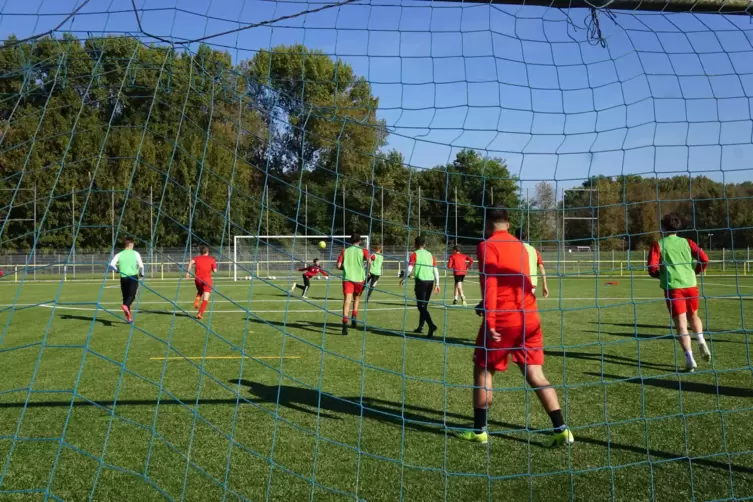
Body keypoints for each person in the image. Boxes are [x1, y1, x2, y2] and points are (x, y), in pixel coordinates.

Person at [457, 209, 573, 447]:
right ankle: (561, 429)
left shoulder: (487, 245)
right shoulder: (522, 246)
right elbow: (522, 281)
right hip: (529, 317)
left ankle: (479, 430)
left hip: (503, 319)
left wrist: (489, 320)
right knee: (535, 373)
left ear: (488, 224)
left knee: (483, 370)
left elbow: (490, 283)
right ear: (508, 224)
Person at [647, 213, 710, 371]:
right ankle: (701, 339)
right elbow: (705, 259)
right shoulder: (688, 242)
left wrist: (660, 275)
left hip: (673, 287)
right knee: (693, 315)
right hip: (691, 285)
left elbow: (652, 267)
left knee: (681, 325)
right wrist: (694, 271)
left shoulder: (658, 244)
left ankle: (690, 359)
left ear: (663, 227)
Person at [400, 235, 440, 338]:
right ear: (425, 244)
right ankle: (421, 327)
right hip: (430, 282)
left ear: (415, 244)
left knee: (421, 306)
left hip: (421, 282)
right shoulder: (430, 254)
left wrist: (403, 278)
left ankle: (431, 325)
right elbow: (435, 270)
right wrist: (437, 283)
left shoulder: (415, 254)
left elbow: (409, 268)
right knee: (424, 306)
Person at [336, 234, 369, 336]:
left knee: (347, 301)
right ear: (359, 241)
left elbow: (338, 266)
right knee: (357, 298)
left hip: (348, 279)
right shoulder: (364, 251)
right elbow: (370, 261)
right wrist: (367, 272)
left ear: (350, 241)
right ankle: (354, 317)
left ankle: (344, 326)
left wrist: (345, 268)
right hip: (359, 279)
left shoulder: (344, 251)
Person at [109, 238, 145, 323]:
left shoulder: (119, 254)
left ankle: (129, 318)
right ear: (130, 244)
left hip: (123, 278)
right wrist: (142, 273)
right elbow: (141, 266)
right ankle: (125, 306)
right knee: (132, 295)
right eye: (133, 244)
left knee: (125, 297)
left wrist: (116, 270)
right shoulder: (135, 253)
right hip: (133, 277)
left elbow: (111, 265)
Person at [185, 246, 217, 320]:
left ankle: (197, 299)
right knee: (205, 299)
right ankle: (200, 313)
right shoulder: (212, 259)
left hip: (198, 279)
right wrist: (214, 268)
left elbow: (190, 262)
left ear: (200, 252)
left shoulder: (197, 258)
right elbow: (215, 271)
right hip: (207, 280)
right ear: (207, 252)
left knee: (200, 291)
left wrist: (188, 273)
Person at [520, 234, 549, 298]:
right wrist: (545, 286)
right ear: (526, 237)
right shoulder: (534, 250)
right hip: (532, 283)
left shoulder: (514, 248)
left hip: (518, 283)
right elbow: (542, 268)